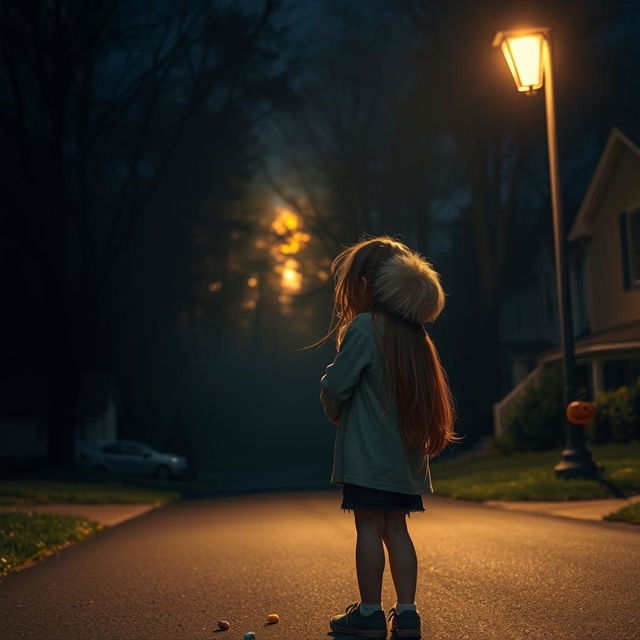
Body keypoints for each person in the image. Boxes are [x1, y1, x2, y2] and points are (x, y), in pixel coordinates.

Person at [314, 235, 463, 639]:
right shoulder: (415, 336)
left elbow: (336, 387)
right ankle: (408, 612)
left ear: (364, 285)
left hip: (368, 457)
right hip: (405, 458)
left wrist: (332, 409)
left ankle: (368, 612)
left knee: (368, 528)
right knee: (397, 529)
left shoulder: (365, 327)